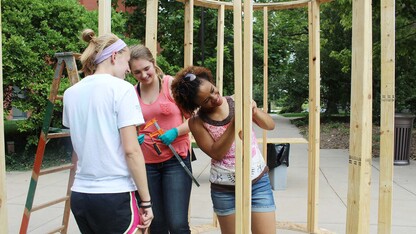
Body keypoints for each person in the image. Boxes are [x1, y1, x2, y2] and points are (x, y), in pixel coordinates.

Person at [63, 29, 153, 234]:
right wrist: (146, 201)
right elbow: (131, 151)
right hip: (115, 194)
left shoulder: (71, 93)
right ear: (114, 56)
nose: (129, 70)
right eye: (127, 61)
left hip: (81, 194)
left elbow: (78, 149)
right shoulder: (122, 89)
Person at [171, 66, 277, 234]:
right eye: (206, 100)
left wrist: (254, 111)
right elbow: (216, 153)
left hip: (257, 182)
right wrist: (234, 125)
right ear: (196, 104)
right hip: (225, 190)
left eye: (213, 90)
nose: (215, 98)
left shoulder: (237, 101)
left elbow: (270, 125)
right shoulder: (196, 122)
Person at [129, 44, 193, 234]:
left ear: (153, 63)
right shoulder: (131, 94)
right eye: (137, 72)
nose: (144, 75)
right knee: (156, 225)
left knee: (177, 224)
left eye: (146, 69)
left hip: (176, 161)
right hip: (146, 165)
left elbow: (195, 120)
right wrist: (134, 138)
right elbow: (127, 128)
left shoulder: (171, 86)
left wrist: (176, 132)